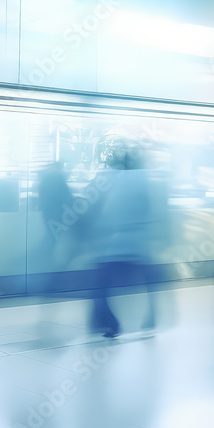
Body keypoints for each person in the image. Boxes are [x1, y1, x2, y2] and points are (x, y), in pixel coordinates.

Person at [89, 140, 155, 338]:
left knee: (99, 288)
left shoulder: (119, 181)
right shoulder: (140, 180)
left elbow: (107, 211)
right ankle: (148, 319)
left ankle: (111, 325)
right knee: (147, 282)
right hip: (133, 245)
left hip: (115, 247)